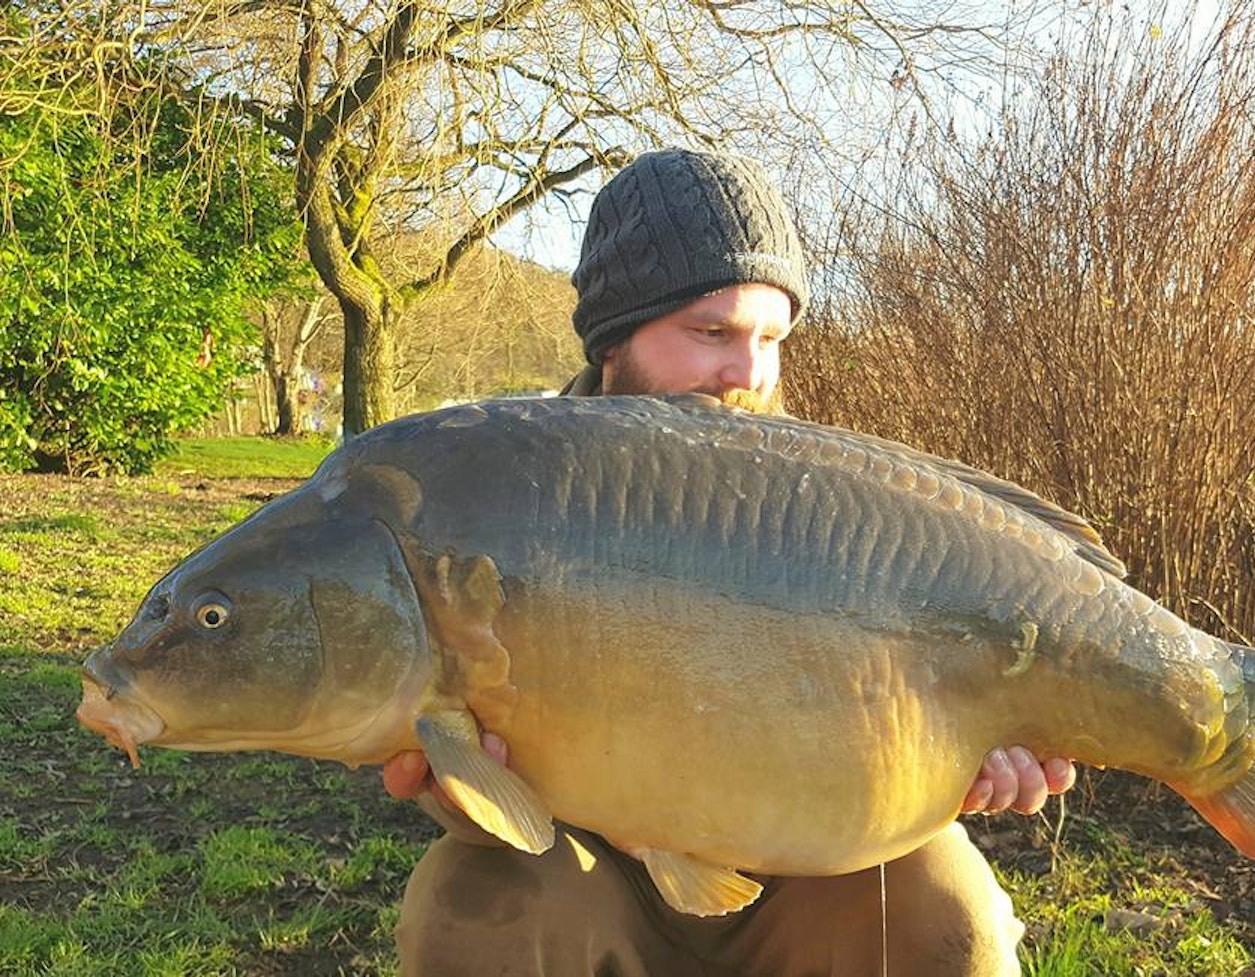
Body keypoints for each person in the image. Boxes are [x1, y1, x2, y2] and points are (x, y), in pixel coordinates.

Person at [385, 148, 1077, 975]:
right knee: (467, 909)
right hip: (593, 866)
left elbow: (921, 720)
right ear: (613, 342)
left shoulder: (837, 510)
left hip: (803, 863)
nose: (745, 372)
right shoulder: (504, 502)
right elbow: (466, 761)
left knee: (950, 907)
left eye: (770, 337)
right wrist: (461, 792)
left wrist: (982, 758)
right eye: (710, 332)